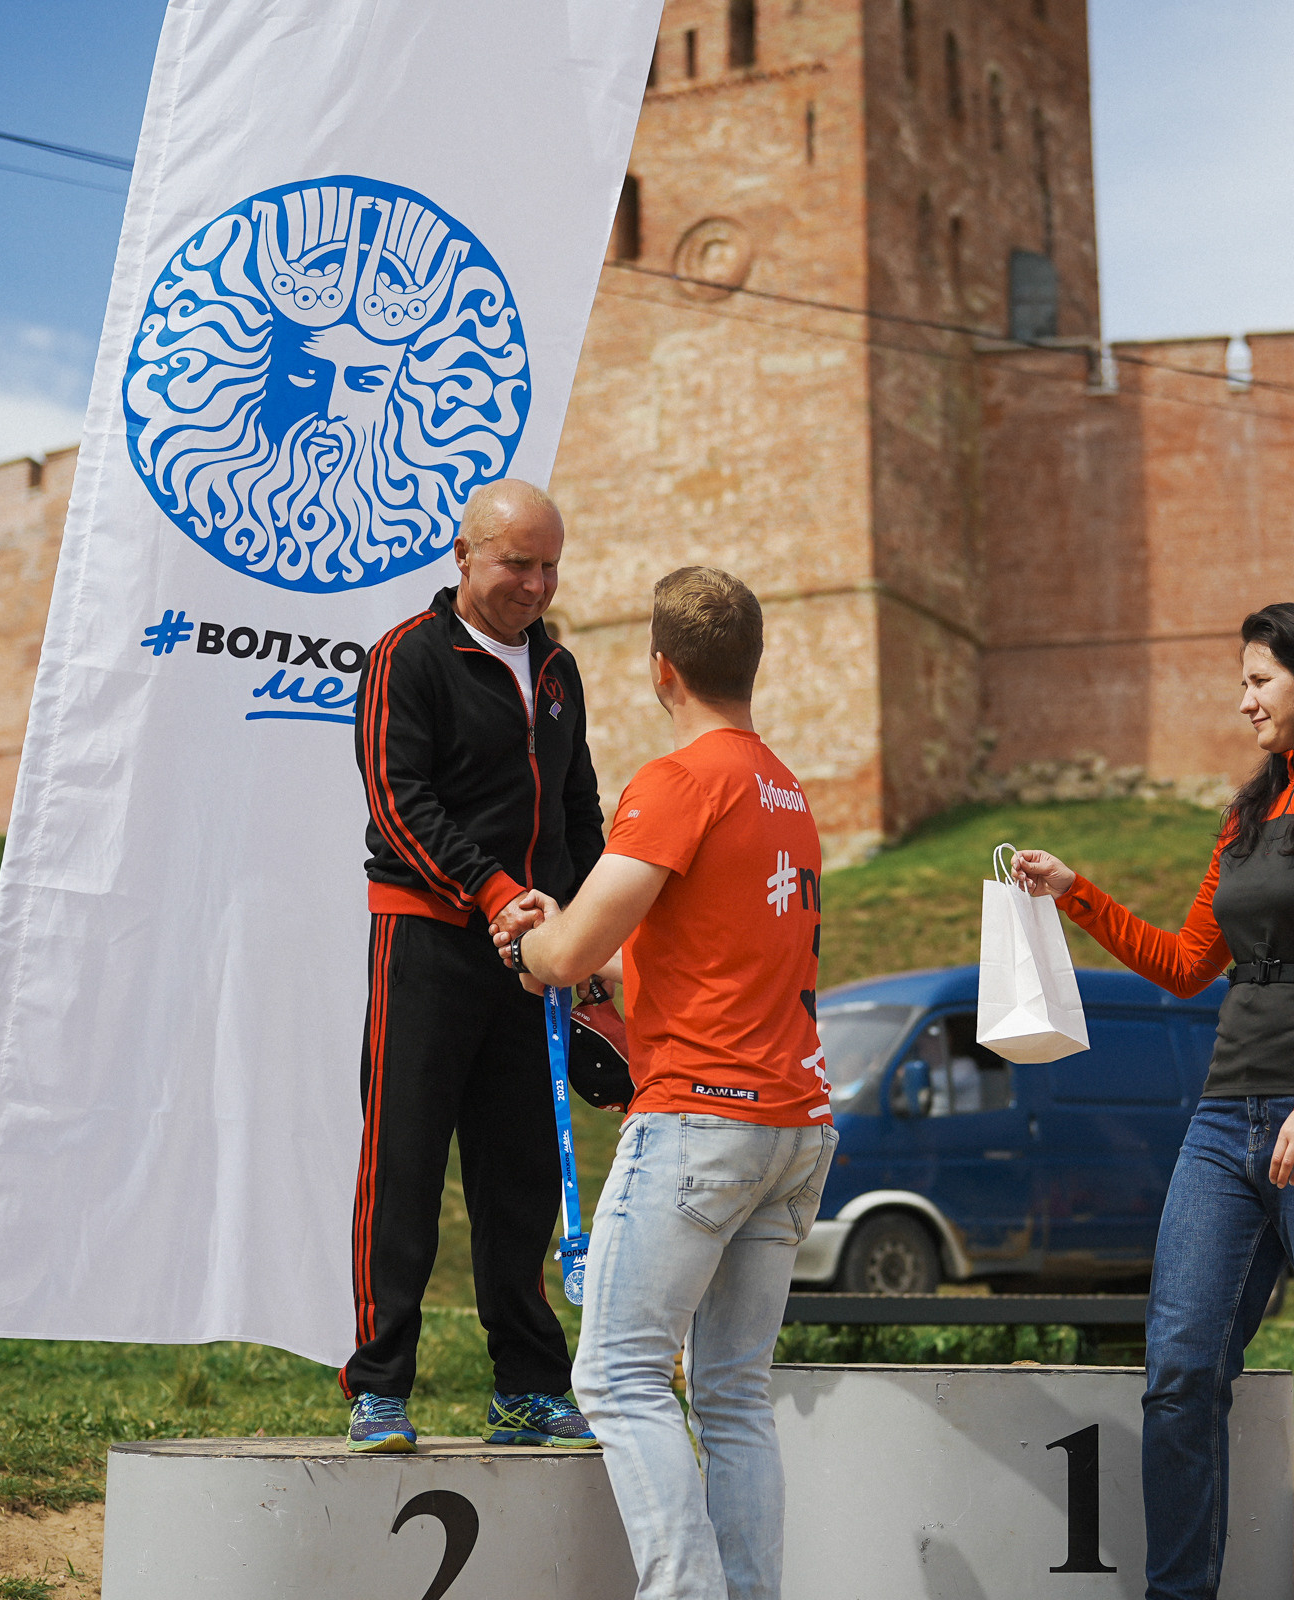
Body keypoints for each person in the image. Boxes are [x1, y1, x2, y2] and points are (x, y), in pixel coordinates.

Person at [1010, 601, 1294, 1600]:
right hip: (1224, 1118)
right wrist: (1077, 892)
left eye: (1258, 681)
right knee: (1181, 1369)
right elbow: (1187, 963)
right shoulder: (1244, 820)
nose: (1243, 701)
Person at [492, 567, 831, 1600]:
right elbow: (708, 948)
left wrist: (536, 946)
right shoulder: (787, 790)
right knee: (732, 1396)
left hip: (701, 1121)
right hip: (796, 1123)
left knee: (616, 1375)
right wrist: (591, 953)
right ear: (753, 664)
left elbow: (565, 953)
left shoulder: (678, 781)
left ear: (659, 669)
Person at [341, 479, 608, 1453]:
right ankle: (378, 1385)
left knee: (524, 1178)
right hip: (428, 939)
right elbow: (397, 798)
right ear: (464, 557)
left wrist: (581, 929)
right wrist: (493, 892)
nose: (535, 583)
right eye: (516, 564)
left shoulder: (557, 668)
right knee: (401, 1165)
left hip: (532, 958)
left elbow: (579, 810)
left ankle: (530, 1388)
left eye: (549, 566)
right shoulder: (407, 656)